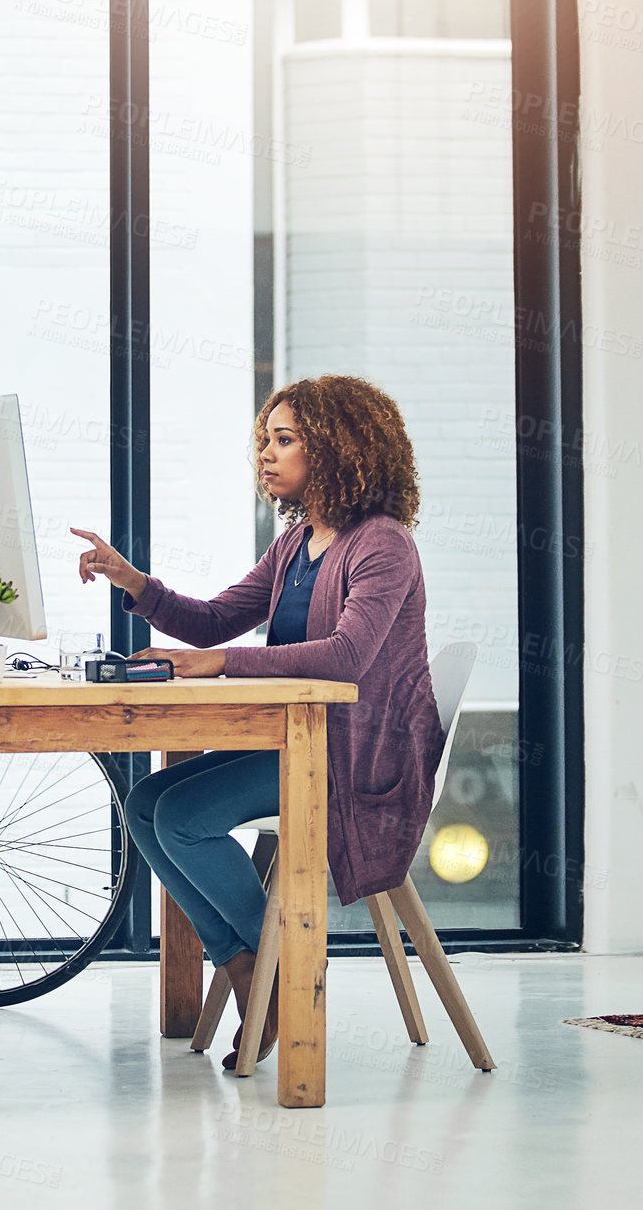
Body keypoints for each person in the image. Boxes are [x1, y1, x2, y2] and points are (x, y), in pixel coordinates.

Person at [72, 375, 442, 1070]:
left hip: (358, 757)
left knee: (182, 816)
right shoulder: (300, 540)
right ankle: (247, 965)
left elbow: (345, 655)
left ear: (338, 447)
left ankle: (277, 975)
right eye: (264, 440)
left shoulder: (382, 545)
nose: (266, 455)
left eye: (285, 439)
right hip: (303, 741)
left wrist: (215, 665)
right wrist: (133, 582)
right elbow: (213, 619)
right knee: (147, 803)